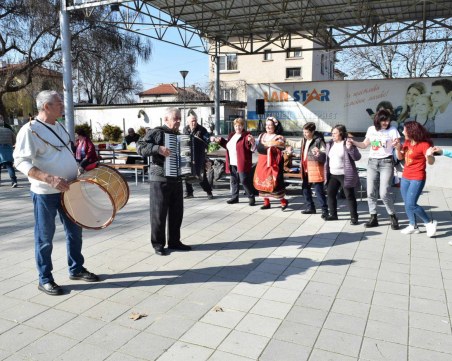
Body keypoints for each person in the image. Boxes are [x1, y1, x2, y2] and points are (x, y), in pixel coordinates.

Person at [13, 90, 99, 296]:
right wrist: (49, 178)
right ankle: (45, 279)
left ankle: (76, 269)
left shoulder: (59, 125)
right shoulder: (29, 130)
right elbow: (20, 161)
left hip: (70, 188)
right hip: (45, 193)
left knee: (75, 232)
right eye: (59, 103)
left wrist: (77, 169)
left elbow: (65, 153)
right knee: (44, 237)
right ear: (46, 107)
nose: (63, 106)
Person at [136, 107, 191, 256]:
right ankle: (158, 244)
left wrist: (201, 162)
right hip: (159, 178)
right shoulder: (157, 132)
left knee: (176, 213)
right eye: (176, 118)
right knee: (158, 213)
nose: (179, 121)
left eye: (180, 118)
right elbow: (140, 147)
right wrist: (157, 148)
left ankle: (174, 241)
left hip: (177, 179)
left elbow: (187, 156)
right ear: (166, 119)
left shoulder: (180, 136)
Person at [350, 109, 400, 230]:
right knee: (370, 192)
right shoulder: (371, 129)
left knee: (384, 193)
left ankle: (392, 216)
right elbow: (364, 145)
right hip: (372, 163)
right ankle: (373, 217)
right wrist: (353, 142)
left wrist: (397, 145)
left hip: (386, 162)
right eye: (383, 120)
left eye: (388, 120)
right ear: (378, 120)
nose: (386, 122)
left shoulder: (392, 130)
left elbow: (398, 144)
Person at [393, 121, 437, 236]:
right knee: (407, 203)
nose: (402, 132)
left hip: (417, 177)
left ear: (411, 131)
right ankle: (413, 225)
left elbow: (431, 162)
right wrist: (398, 148)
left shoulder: (424, 145)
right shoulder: (407, 142)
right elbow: (400, 157)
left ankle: (429, 223)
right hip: (405, 176)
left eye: (404, 130)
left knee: (411, 204)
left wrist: (429, 156)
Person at [288, 122, 328, 218]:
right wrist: (284, 140)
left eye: (306, 132)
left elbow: (325, 153)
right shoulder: (304, 140)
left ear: (312, 132)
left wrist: (319, 153)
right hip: (305, 168)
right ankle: (310, 207)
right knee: (305, 189)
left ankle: (325, 210)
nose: (304, 134)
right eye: (304, 132)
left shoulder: (318, 141)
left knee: (319, 191)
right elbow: (295, 144)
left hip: (315, 168)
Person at [212, 117, 256, 205]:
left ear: (243, 126)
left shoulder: (246, 135)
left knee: (244, 180)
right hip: (232, 162)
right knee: (234, 180)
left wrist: (251, 141)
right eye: (236, 126)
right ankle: (234, 197)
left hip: (242, 162)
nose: (237, 128)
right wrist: (220, 141)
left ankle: (251, 196)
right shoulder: (231, 135)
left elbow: (250, 146)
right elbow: (228, 146)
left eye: (239, 125)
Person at [324, 124, 361, 225]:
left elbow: (357, 157)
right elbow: (327, 158)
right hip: (332, 174)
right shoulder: (330, 144)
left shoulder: (347, 143)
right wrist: (319, 155)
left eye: (335, 133)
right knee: (330, 194)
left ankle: (354, 217)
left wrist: (350, 148)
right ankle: (333, 215)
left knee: (349, 195)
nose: (333, 135)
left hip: (345, 174)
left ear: (341, 134)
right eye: (332, 133)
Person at [253, 117, 289, 210]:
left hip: (272, 163)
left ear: (274, 127)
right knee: (262, 181)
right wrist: (251, 141)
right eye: (267, 125)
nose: (268, 127)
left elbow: (282, 146)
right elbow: (255, 148)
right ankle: (266, 202)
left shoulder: (278, 137)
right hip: (261, 161)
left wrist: (274, 144)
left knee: (274, 183)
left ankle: (283, 201)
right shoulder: (261, 135)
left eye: (270, 125)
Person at [183, 114, 214, 199]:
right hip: (189, 155)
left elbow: (207, 139)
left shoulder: (202, 129)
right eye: (192, 121)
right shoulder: (186, 129)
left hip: (199, 155)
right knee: (187, 174)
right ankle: (189, 193)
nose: (194, 122)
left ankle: (209, 191)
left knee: (200, 175)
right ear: (188, 122)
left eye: (195, 120)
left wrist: (209, 139)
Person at [0, 115, 18, 187]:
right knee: (9, 166)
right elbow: (15, 140)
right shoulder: (9, 130)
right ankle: (14, 181)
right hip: (8, 149)